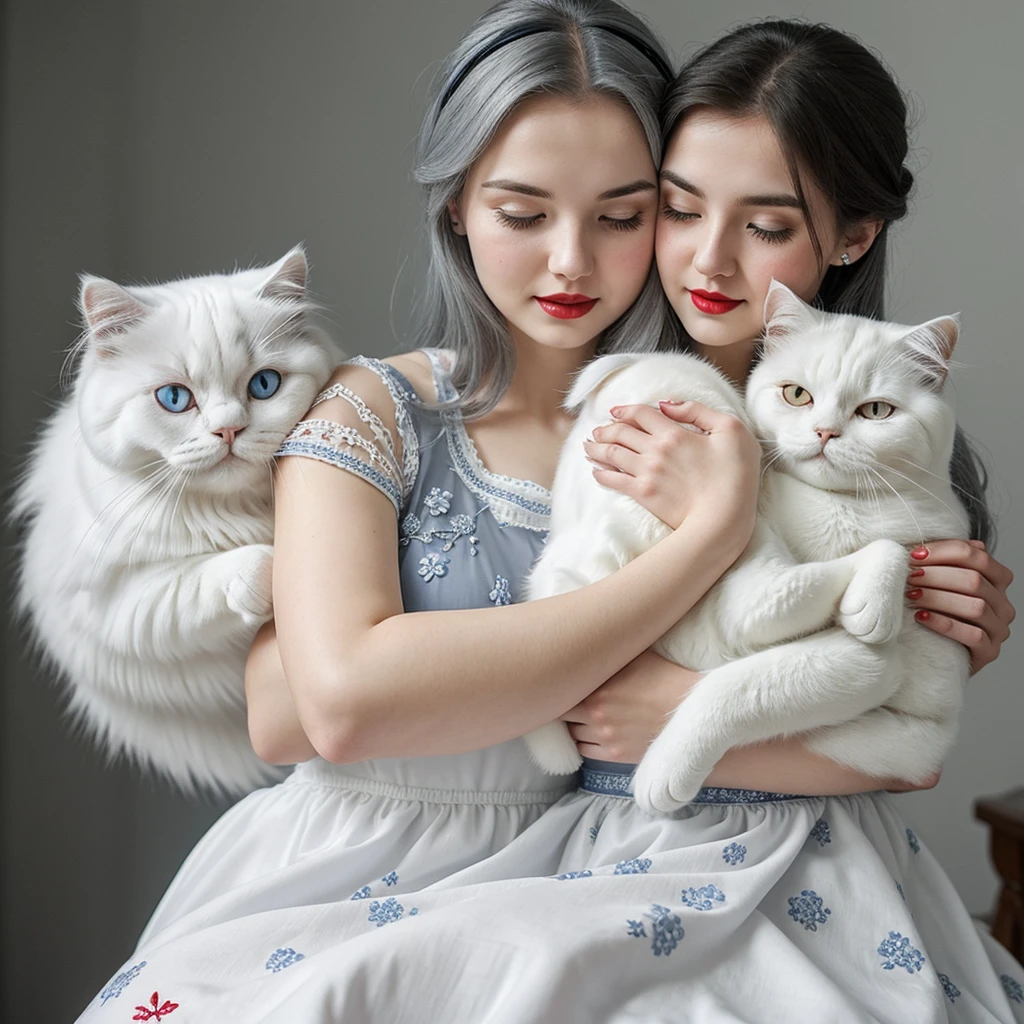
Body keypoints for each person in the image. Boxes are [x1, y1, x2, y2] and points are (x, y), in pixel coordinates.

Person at [75, 7, 1019, 1023]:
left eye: (621, 215)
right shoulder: (368, 409)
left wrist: (704, 706)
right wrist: (708, 537)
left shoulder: (768, 424)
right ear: (456, 208)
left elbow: (901, 733)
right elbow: (307, 705)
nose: (572, 261)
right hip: (400, 868)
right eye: (525, 213)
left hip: (657, 868)